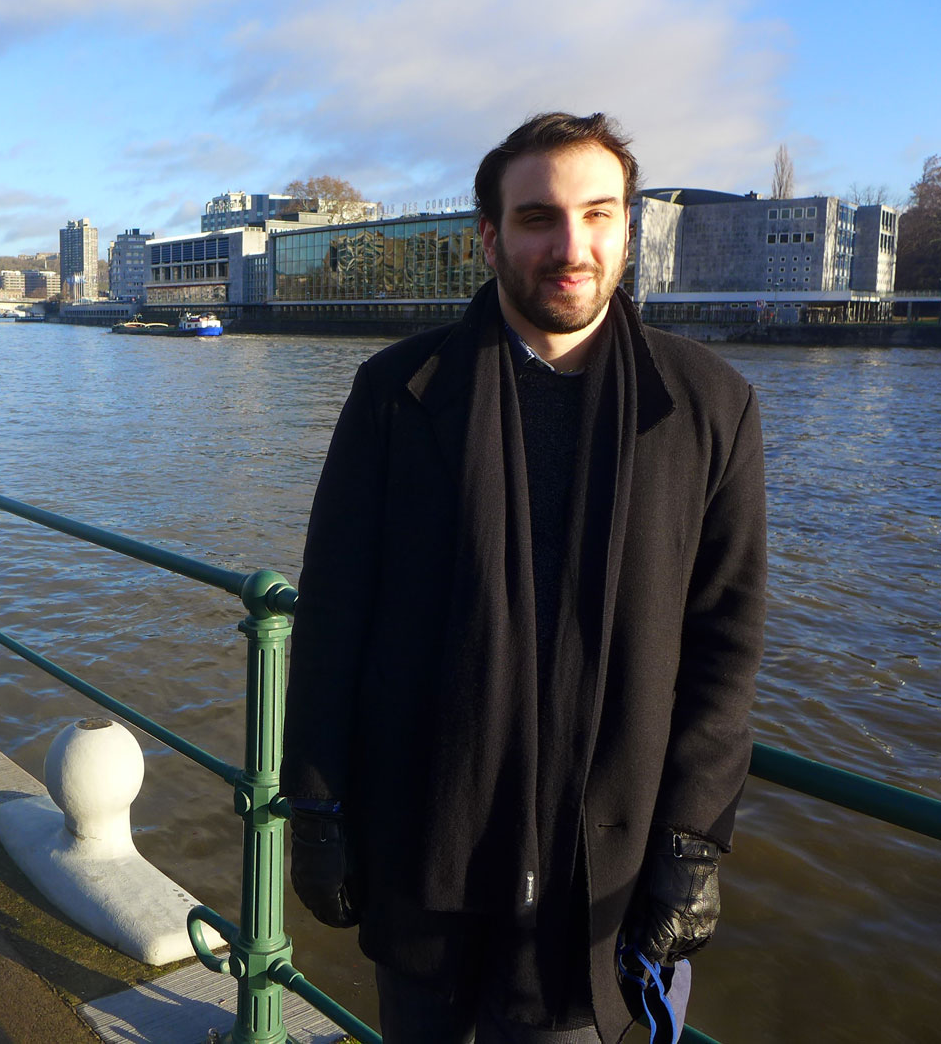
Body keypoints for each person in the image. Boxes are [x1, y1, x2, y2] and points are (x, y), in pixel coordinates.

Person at [281, 112, 766, 1043]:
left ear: (628, 227)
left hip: (604, 889)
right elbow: (335, 613)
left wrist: (693, 841)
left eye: (598, 214)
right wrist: (316, 803)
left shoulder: (711, 407)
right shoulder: (395, 393)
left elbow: (725, 645)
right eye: (540, 217)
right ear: (490, 237)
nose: (572, 245)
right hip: (426, 856)